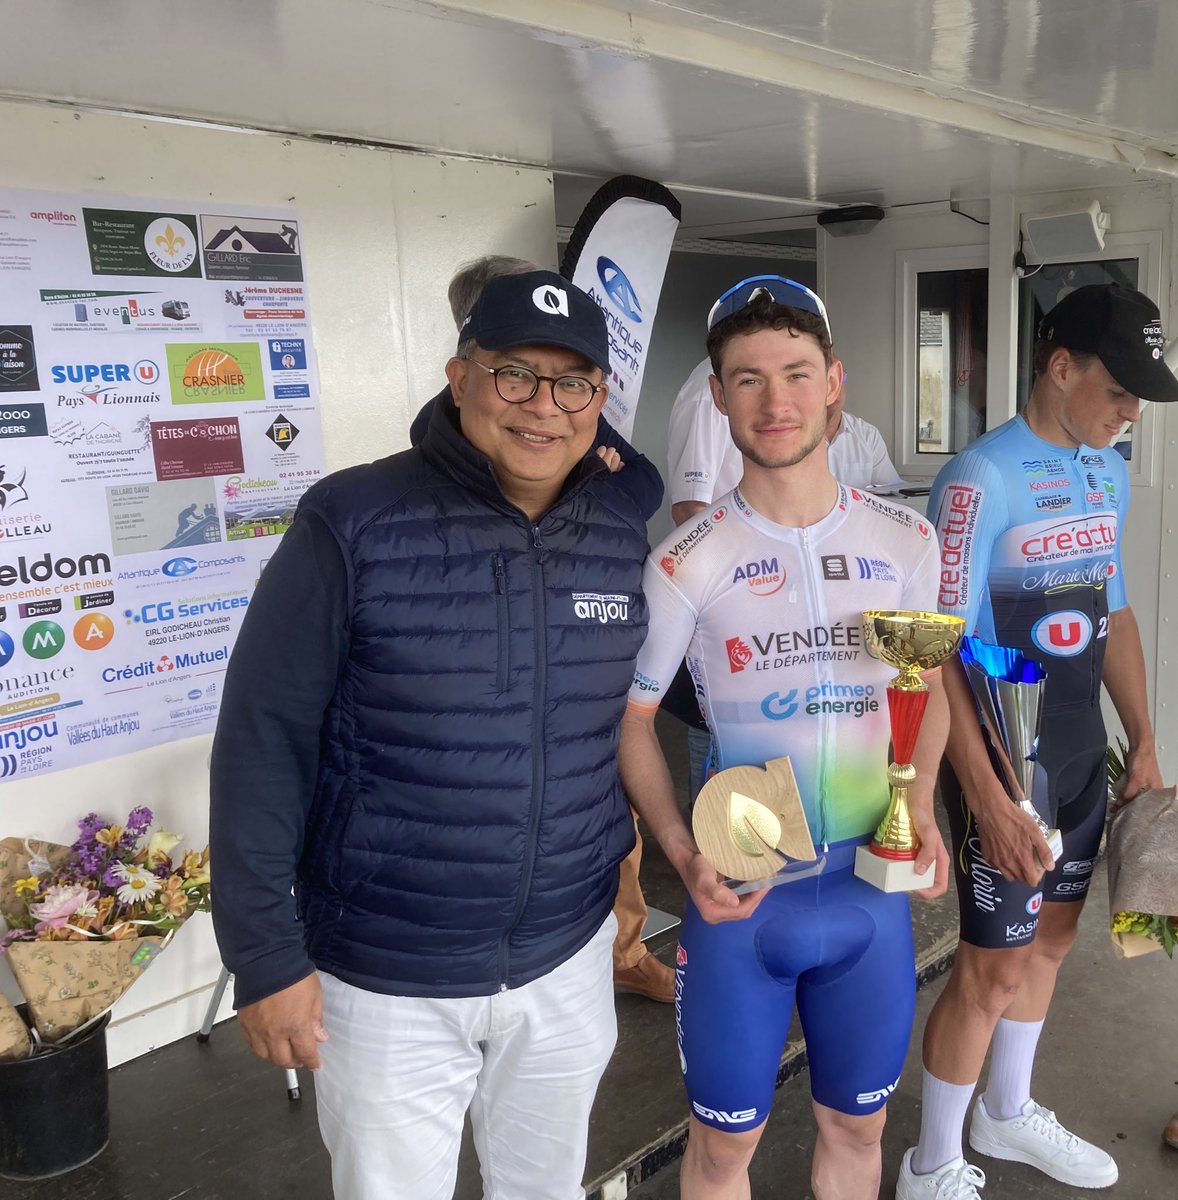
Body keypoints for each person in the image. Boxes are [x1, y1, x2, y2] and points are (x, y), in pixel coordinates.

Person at [209, 270, 651, 1200]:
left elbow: (609, 724)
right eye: (514, 375)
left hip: (565, 959)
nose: (543, 407)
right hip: (386, 976)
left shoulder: (619, 529)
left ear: (600, 399)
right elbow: (262, 739)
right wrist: (263, 955)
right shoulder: (352, 520)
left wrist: (630, 867)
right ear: (461, 378)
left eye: (572, 383)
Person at [619, 275, 951, 1199]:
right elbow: (634, 720)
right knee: (724, 1149)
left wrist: (920, 801)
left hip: (867, 895)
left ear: (835, 382)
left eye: (797, 373)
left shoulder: (905, 539)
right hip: (742, 899)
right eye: (749, 378)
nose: (777, 400)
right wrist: (682, 854)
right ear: (718, 397)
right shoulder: (688, 559)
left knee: (860, 1124)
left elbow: (929, 689)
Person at [898, 283, 1178, 1199]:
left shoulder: (1107, 471)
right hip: (1001, 753)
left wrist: (1141, 739)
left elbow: (1118, 613)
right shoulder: (981, 478)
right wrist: (980, 794)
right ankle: (932, 1161)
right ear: (1061, 368)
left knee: (1052, 944)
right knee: (990, 968)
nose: (1131, 408)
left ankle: (1006, 1113)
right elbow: (938, 649)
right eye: (1120, 388)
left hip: (1077, 749)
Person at [410, 253, 673, 1004]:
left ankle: (622, 949)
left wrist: (598, 485)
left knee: (603, 818)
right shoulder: (435, 450)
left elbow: (643, 484)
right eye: (516, 362)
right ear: (468, 355)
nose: (541, 397)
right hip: (439, 911)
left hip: (577, 682)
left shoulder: (570, 414)